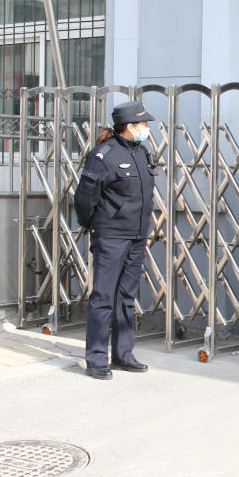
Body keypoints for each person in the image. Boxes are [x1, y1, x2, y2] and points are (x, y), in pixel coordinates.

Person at [74, 101, 157, 380]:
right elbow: (85, 198)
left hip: (136, 237)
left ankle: (123, 354)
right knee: (103, 298)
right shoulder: (103, 156)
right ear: (130, 126)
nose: (147, 128)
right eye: (143, 124)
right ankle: (96, 359)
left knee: (126, 298)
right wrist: (93, 226)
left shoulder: (142, 152)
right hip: (110, 237)